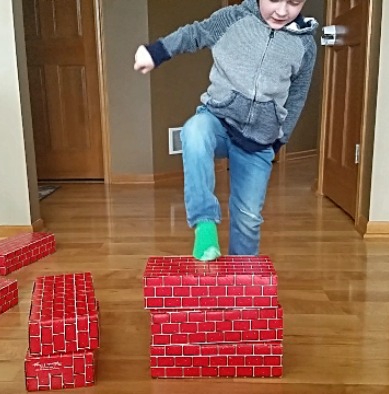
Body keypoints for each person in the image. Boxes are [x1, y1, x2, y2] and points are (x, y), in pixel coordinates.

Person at [134, 0, 318, 261]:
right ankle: (205, 224)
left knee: (248, 219)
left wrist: (280, 138)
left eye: (294, 2)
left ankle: (241, 284)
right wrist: (156, 52)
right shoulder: (232, 19)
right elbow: (194, 34)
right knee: (194, 131)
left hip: (260, 141)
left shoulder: (304, 45)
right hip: (218, 119)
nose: (282, 11)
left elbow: (298, 95)